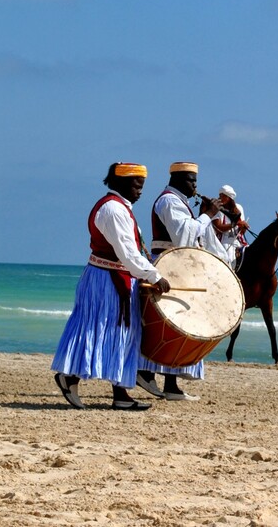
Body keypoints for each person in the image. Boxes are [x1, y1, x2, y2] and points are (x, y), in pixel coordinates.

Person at [51, 162, 171, 411]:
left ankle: (121, 394)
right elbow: (127, 253)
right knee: (99, 330)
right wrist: (154, 275)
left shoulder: (119, 208)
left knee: (121, 335)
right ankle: (69, 377)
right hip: (106, 280)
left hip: (116, 278)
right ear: (123, 184)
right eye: (137, 186)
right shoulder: (113, 210)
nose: (140, 191)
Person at [136, 161, 227, 401]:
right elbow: (183, 236)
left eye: (196, 180)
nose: (195, 185)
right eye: (191, 180)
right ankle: (145, 372)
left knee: (181, 325)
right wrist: (207, 216)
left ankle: (171, 385)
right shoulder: (168, 201)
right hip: (168, 268)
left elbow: (192, 232)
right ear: (176, 180)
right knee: (168, 324)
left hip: (179, 268)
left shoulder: (180, 202)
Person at [211, 184, 249, 267]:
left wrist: (244, 227)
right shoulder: (217, 208)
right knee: (228, 261)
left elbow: (242, 232)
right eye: (220, 195)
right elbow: (218, 227)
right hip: (224, 241)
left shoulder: (239, 208)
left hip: (239, 240)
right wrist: (235, 224)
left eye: (223, 196)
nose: (220, 198)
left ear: (229, 198)